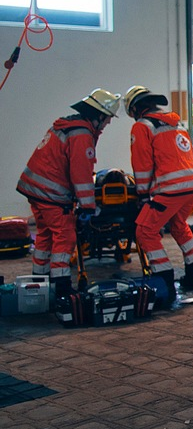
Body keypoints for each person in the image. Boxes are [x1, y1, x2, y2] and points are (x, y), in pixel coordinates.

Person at [16, 89, 121, 296]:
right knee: (65, 236)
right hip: (51, 194)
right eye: (108, 119)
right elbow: (81, 175)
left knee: (45, 235)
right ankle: (62, 288)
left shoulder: (67, 126)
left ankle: (40, 282)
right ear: (99, 115)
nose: (108, 123)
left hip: (34, 189)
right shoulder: (81, 134)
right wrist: (88, 206)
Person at [125, 86, 193, 303]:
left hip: (171, 189)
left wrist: (142, 195)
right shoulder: (175, 123)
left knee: (145, 230)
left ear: (135, 108)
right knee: (179, 225)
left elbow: (142, 164)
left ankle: (164, 283)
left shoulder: (142, 127)